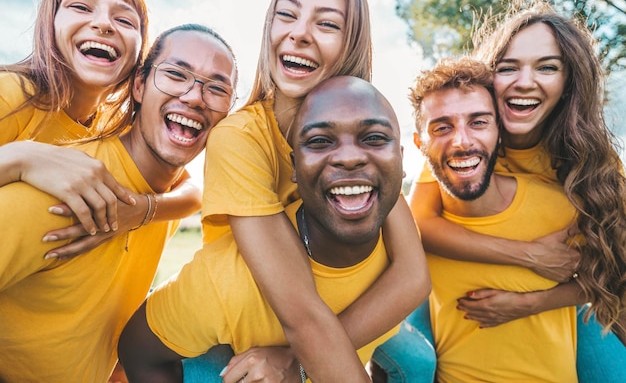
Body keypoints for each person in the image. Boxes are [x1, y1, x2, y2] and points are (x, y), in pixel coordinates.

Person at [182, 0, 427, 381]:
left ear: (351, 43)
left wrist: (292, 360)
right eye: (287, 14)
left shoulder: (363, 137)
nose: (299, 33)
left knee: (420, 363)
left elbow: (413, 275)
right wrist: (301, 356)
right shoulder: (239, 139)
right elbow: (300, 312)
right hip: (250, 319)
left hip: (332, 307)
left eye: (327, 23)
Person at [118, 75, 430, 382]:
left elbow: (416, 278)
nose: (349, 158)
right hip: (233, 356)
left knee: (420, 360)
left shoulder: (394, 232)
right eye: (320, 141)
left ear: (401, 161)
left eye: (374, 138)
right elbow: (136, 349)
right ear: (294, 167)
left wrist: (298, 363)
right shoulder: (227, 285)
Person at [0, 23, 238, 382]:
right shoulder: (64, 192)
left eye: (217, 88)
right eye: (176, 74)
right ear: (139, 85)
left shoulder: (163, 198)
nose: (194, 97)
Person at [409, 0, 626, 342]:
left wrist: (532, 303)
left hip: (578, 311)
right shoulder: (466, 148)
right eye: (508, 67)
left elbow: (615, 271)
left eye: (547, 67)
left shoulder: (594, 163)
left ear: (569, 81)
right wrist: (529, 255)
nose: (525, 82)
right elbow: (421, 223)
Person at [0, 0, 202, 258]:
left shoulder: (114, 125)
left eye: (124, 19)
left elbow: (193, 190)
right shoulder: (12, 93)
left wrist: (141, 210)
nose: (104, 24)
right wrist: (22, 158)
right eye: (81, 6)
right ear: (50, 21)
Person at [409, 57, 578, 381]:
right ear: (420, 144)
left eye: (479, 122)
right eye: (441, 127)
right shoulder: (409, 229)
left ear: (500, 133)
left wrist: (532, 303)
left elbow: (614, 280)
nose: (462, 141)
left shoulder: (562, 207)